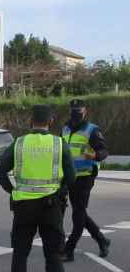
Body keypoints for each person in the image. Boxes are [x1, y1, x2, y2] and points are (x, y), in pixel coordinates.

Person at [0, 105, 75, 272]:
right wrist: (60, 192)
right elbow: (71, 177)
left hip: (24, 206)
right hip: (51, 206)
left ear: (30, 121)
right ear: (51, 122)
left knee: (20, 254)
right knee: (53, 255)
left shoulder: (19, 143)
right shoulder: (59, 144)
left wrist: (13, 190)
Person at [61, 99, 111, 262]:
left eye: (79, 112)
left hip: (85, 178)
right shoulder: (65, 129)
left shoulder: (92, 130)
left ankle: (69, 249)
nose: (76, 115)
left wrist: (95, 155)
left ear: (85, 112)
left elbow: (104, 151)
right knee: (80, 213)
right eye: (73, 112)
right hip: (69, 177)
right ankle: (102, 239)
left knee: (78, 216)